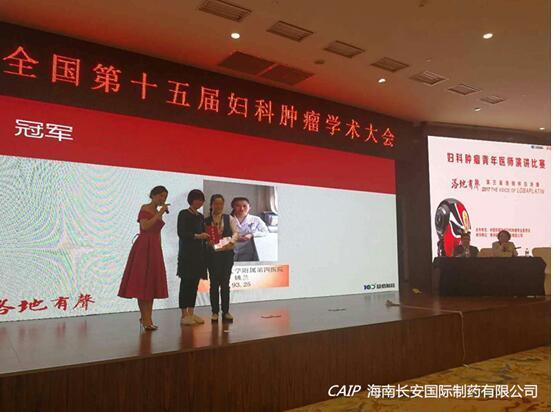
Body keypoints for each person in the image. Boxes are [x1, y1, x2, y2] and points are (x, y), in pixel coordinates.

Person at [118, 186, 170, 331]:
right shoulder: (145, 208)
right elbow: (145, 226)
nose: (163, 199)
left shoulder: (158, 212)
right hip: (143, 248)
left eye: (165, 196)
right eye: (161, 195)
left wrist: (159, 249)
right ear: (153, 195)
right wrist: (159, 213)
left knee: (151, 284)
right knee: (142, 284)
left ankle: (148, 318)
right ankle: (145, 318)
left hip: (154, 248)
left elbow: (157, 232)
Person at [177, 189, 209, 326]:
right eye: (197, 199)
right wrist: (198, 236)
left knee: (195, 284)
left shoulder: (201, 216)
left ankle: (191, 312)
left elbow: (205, 232)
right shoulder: (183, 214)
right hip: (186, 254)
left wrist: (210, 236)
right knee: (186, 283)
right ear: (191, 200)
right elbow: (181, 233)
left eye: (202, 200)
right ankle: (184, 314)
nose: (200, 202)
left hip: (199, 255)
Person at [205, 195, 239, 322]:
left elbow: (236, 233)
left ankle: (226, 311)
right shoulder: (206, 220)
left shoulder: (229, 218)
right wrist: (207, 242)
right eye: (216, 203)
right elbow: (205, 238)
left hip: (226, 255)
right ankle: (214, 312)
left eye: (221, 204)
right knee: (214, 284)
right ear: (211, 205)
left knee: (225, 284)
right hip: (212, 256)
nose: (218, 206)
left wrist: (231, 242)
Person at [231, 197, 269, 262]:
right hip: (230, 250)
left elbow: (265, 231)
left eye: (244, 206)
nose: (241, 208)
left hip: (247, 250)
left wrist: (251, 234)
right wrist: (235, 237)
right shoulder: (227, 219)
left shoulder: (256, 219)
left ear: (249, 207)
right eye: (238, 206)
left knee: (244, 266)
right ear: (233, 207)